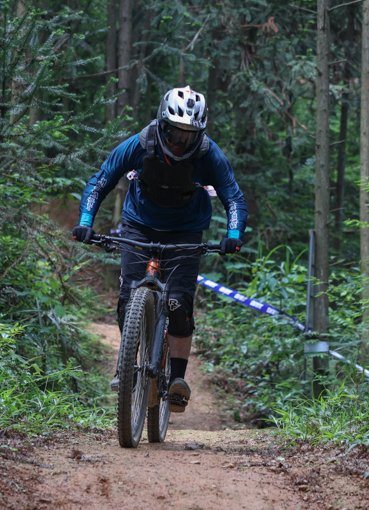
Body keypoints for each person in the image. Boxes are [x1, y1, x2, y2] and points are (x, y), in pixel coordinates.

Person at [72, 85, 248, 413]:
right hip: (139, 223)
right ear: (161, 123)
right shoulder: (140, 144)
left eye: (188, 136)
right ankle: (127, 368)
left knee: (179, 303)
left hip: (185, 230)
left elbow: (232, 196)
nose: (179, 142)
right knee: (128, 299)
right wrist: (85, 220)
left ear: (200, 134)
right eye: (174, 133)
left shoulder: (209, 154)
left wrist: (234, 233)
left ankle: (178, 380)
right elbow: (101, 180)